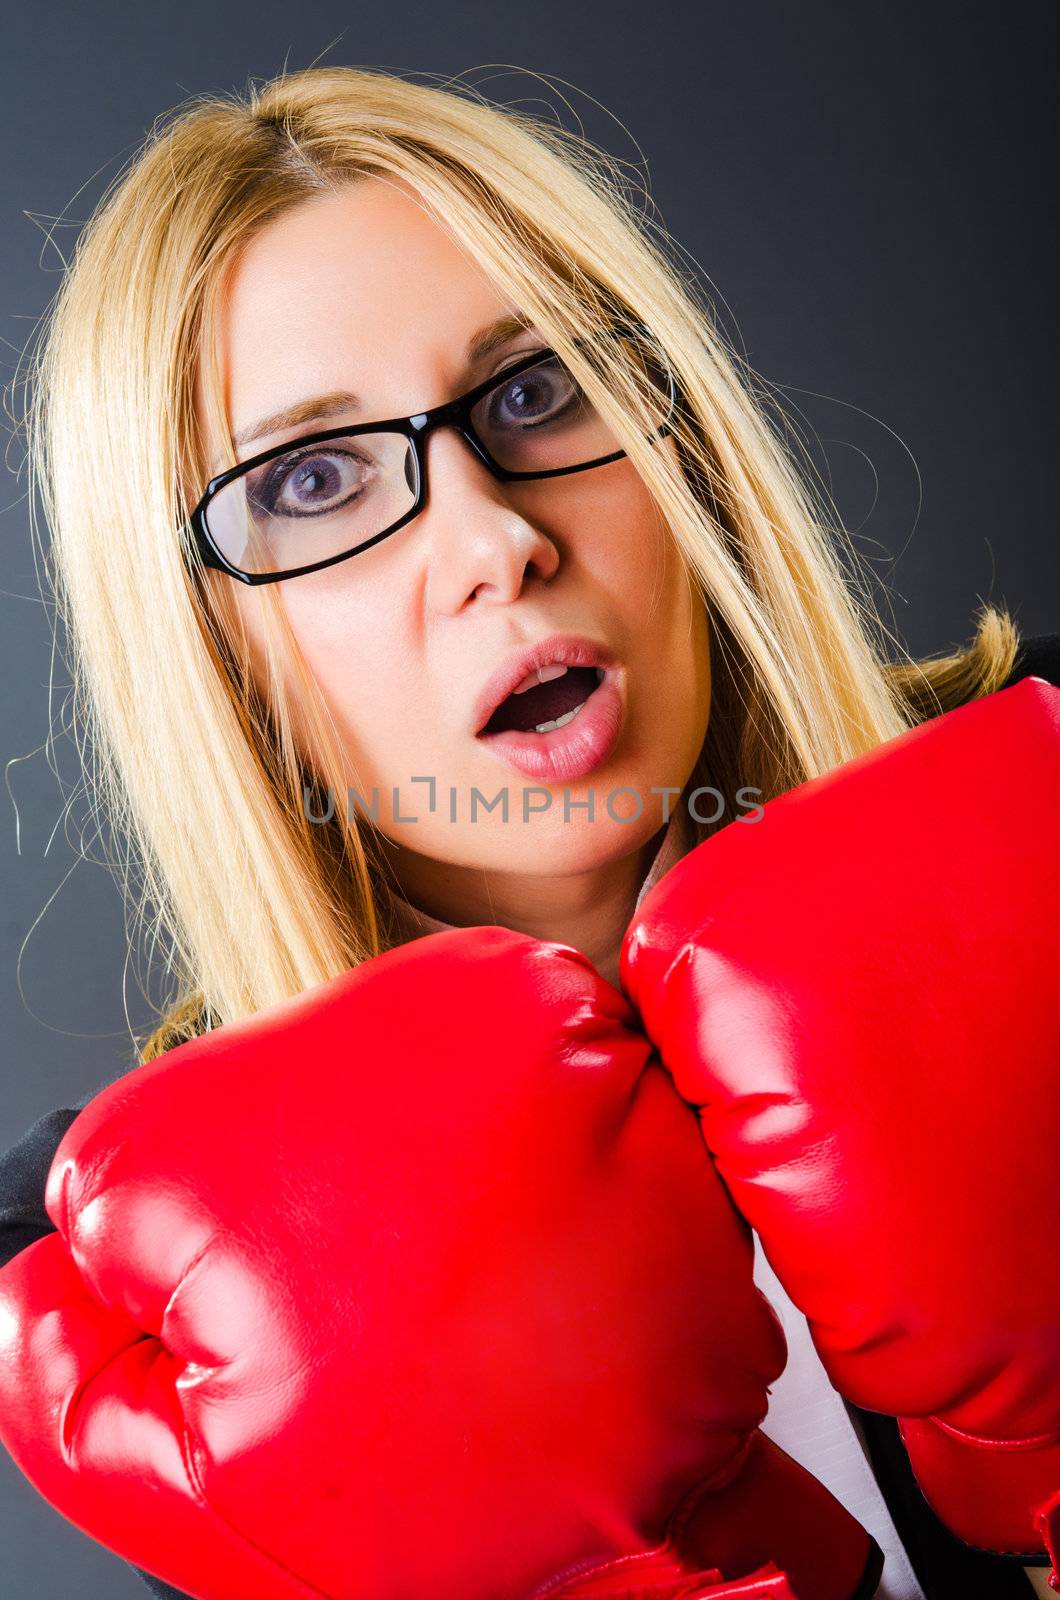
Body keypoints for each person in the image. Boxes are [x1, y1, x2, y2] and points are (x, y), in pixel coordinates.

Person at [0, 64, 1056, 1599]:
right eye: (313, 480)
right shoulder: (151, 1276)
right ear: (206, 646)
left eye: (539, 391)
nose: (497, 540)